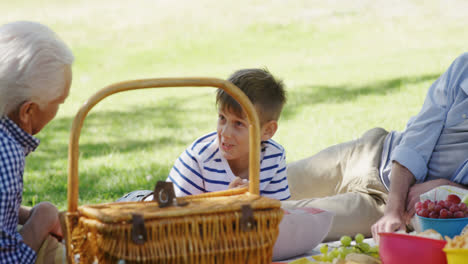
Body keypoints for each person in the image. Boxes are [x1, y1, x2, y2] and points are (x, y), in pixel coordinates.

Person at [283, 52, 468, 242]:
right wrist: (393, 210)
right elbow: (416, 140)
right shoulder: (464, 67)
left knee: (279, 222)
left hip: (387, 209)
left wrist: (453, 188)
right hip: (371, 155)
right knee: (259, 184)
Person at [119, 68, 290, 202]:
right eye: (222, 118)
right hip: (148, 207)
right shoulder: (200, 158)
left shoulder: (273, 157)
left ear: (267, 131)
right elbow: (174, 217)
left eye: (239, 124)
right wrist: (224, 204)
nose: (225, 132)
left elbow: (278, 215)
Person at [0, 21, 74, 263]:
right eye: (59, 102)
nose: (58, 111)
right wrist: (42, 218)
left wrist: (26, 215)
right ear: (27, 111)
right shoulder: (6, 154)